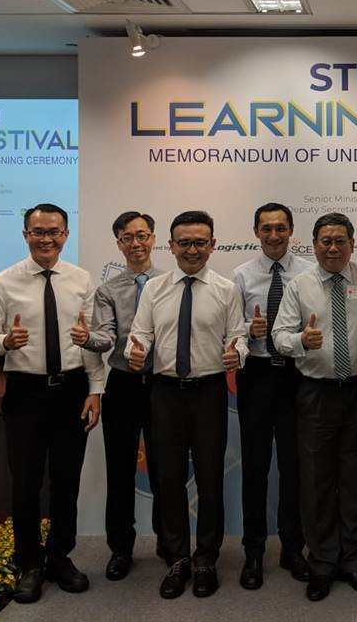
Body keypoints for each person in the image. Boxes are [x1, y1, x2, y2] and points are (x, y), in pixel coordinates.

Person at [0, 203, 104, 604]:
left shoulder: (82, 280)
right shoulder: (3, 282)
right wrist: (4, 343)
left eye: (54, 231)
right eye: (38, 231)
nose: (46, 238)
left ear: (66, 234)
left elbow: (92, 339)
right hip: (25, 393)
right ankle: (29, 563)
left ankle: (60, 559)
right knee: (26, 484)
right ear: (26, 234)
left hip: (71, 390)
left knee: (66, 482)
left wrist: (95, 390)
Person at [124, 210, 248, 600]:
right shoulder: (155, 289)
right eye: (185, 242)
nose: (192, 250)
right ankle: (177, 558)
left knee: (211, 479)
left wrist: (238, 354)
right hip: (164, 394)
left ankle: (206, 558)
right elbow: (138, 336)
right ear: (171, 246)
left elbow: (238, 336)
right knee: (169, 479)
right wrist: (134, 352)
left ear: (213, 245)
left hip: (209, 392)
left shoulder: (227, 289)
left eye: (200, 242)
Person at [272, 213, 357, 602]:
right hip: (315, 392)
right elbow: (279, 336)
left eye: (340, 241)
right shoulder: (299, 286)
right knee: (316, 479)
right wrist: (302, 339)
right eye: (325, 241)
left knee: (355, 477)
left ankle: (353, 563)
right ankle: (321, 563)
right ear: (313, 244)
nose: (332, 248)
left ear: (352, 243)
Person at [231, 202, 314, 588]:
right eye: (266, 229)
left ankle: (293, 549)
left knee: (294, 468)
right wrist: (250, 329)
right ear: (256, 232)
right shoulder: (241, 275)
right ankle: (253, 552)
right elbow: (231, 329)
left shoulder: (309, 272)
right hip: (258, 377)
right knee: (256, 467)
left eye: (281, 228)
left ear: (291, 230)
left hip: (297, 376)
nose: (274, 235)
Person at [94, 210, 166, 581]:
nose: (136, 243)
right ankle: (120, 547)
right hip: (122, 383)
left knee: (164, 468)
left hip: (162, 384)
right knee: (120, 470)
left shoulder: (170, 283)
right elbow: (105, 336)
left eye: (142, 235)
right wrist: (89, 339)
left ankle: (168, 542)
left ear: (153, 238)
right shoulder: (108, 290)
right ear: (119, 243)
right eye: (128, 237)